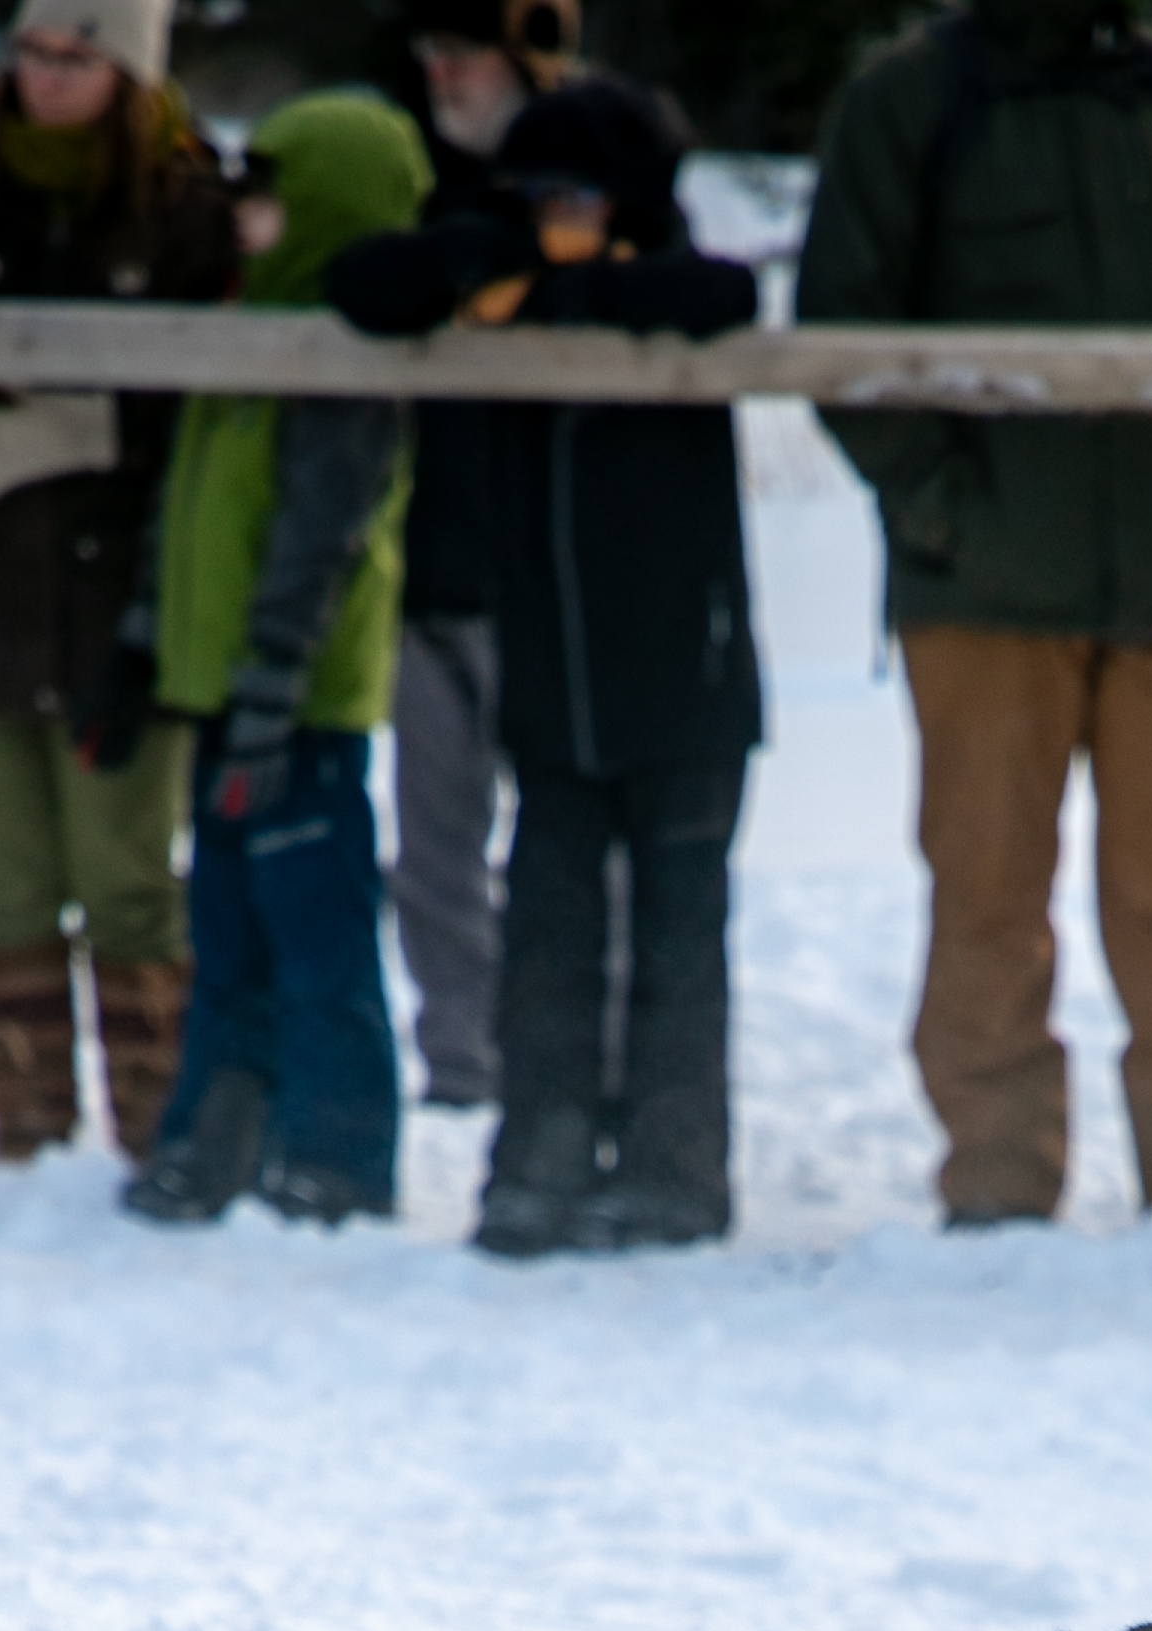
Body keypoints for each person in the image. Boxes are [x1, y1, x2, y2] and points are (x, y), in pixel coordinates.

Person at [796, 0, 1152, 1234]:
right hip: (983, 592)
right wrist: (943, 515)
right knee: (985, 893)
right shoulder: (910, 97)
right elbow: (841, 334)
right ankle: (997, 1189)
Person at [327, 75, 759, 1255]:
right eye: (533, 196)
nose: (549, 217)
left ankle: (676, 1167)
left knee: (677, 940)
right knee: (549, 937)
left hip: (687, 678)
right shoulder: (488, 280)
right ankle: (541, 1155)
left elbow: (726, 295)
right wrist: (482, 250)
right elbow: (363, 287)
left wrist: (558, 287)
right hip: (552, 685)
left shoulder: (675, 286)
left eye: (572, 195)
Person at [0, 0, 237, 1178]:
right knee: (5, 875)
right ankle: (26, 1138)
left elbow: (224, 396)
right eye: (32, 51)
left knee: (126, 878)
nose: (48, 77)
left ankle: (152, 1134)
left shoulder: (188, 202)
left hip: (124, 595)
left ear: (129, 70)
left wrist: (97, 429)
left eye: (79, 56)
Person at [120, 87, 427, 1228]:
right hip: (223, 698)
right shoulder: (241, 333)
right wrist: (142, 648)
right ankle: (221, 1137)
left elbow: (315, 547)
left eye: (269, 196)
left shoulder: (340, 366)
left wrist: (267, 694)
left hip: (296, 709)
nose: (244, 215)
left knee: (318, 934)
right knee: (229, 928)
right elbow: (186, 511)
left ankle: (339, 1154)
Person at [374, 0, 574, 1116]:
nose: (444, 76)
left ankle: (567, 1059)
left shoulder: (605, 176)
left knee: (570, 851)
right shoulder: (399, 180)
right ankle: (464, 1062)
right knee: (433, 850)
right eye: (431, 56)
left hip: (555, 587)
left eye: (466, 56)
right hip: (424, 578)